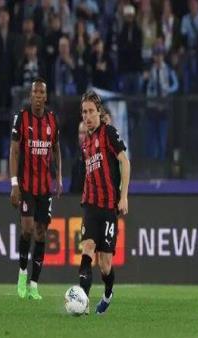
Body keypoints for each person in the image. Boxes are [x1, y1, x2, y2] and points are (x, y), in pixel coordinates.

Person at [78, 90, 130, 315]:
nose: (87, 116)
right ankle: (83, 302)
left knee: (105, 265)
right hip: (90, 205)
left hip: (109, 207)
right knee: (87, 248)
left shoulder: (108, 132)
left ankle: (108, 293)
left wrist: (124, 196)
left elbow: (125, 162)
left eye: (91, 111)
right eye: (84, 112)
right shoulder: (85, 143)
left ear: (99, 112)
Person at [9, 78, 62, 300]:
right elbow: (14, 151)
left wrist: (59, 176)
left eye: (42, 92)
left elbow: (56, 149)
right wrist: (14, 183)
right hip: (26, 185)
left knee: (41, 232)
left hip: (45, 187)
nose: (39, 96)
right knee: (27, 228)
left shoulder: (52, 120)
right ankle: (22, 274)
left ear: (46, 97)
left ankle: (34, 284)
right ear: (31, 95)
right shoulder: (21, 118)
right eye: (35, 92)